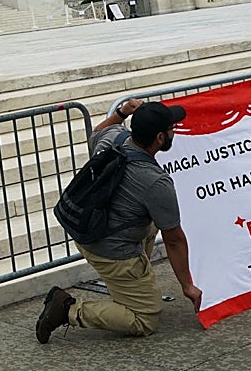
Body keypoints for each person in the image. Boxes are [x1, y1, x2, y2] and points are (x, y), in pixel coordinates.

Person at [37, 99, 202, 343]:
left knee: (151, 222)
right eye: (171, 129)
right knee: (145, 319)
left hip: (85, 228)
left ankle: (132, 285)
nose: (174, 131)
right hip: (110, 249)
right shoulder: (155, 181)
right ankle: (67, 309)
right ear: (159, 138)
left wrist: (121, 113)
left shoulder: (114, 138)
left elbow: (96, 132)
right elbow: (174, 240)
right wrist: (188, 286)